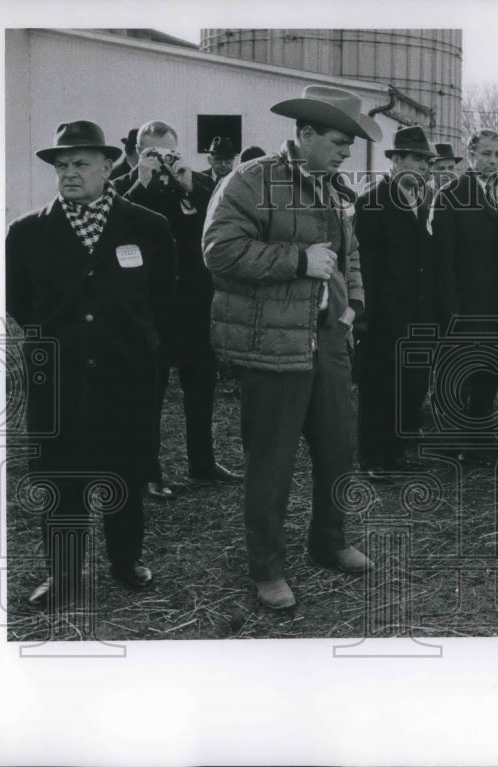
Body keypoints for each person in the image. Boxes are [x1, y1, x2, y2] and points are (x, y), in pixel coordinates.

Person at [203, 85, 379, 610]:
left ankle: (330, 542)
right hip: (271, 348)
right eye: (337, 140)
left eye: (349, 143)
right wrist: (297, 261)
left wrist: (352, 311)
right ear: (303, 134)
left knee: (337, 450)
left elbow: (348, 258)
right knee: (272, 465)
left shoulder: (335, 189)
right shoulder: (250, 181)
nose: (346, 151)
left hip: (327, 342)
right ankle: (267, 570)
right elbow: (219, 250)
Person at [6, 120, 176, 608]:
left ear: (108, 166)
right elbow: (20, 302)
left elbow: (163, 297)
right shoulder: (27, 232)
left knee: (123, 470)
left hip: (127, 376)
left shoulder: (148, 226)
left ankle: (125, 561)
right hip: (58, 379)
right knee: (61, 479)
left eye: (80, 163)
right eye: (62, 165)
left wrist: (130, 342)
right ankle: (63, 575)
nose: (69, 173)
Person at [113, 120, 242, 498]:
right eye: (153, 153)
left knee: (201, 387)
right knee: (149, 395)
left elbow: (222, 224)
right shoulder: (124, 190)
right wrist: (142, 181)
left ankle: (202, 463)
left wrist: (191, 185)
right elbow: (114, 225)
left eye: (169, 153)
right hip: (149, 308)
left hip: (193, 305)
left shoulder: (197, 186)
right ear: (138, 153)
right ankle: (148, 471)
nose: (163, 161)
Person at [354, 125, 438, 473]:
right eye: (417, 159)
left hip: (418, 315)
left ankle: (395, 453)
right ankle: (373, 458)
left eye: (427, 161)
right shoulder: (371, 201)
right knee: (379, 388)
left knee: (411, 386)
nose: (424, 167)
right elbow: (366, 268)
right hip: (384, 318)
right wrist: (366, 319)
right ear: (397, 159)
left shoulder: (423, 203)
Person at [432, 129, 498, 426]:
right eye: (486, 154)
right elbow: (442, 260)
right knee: (461, 373)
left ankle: (480, 434)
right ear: (471, 154)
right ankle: (455, 439)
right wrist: (450, 309)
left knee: (490, 372)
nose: (492, 161)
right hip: (467, 307)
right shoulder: (451, 195)